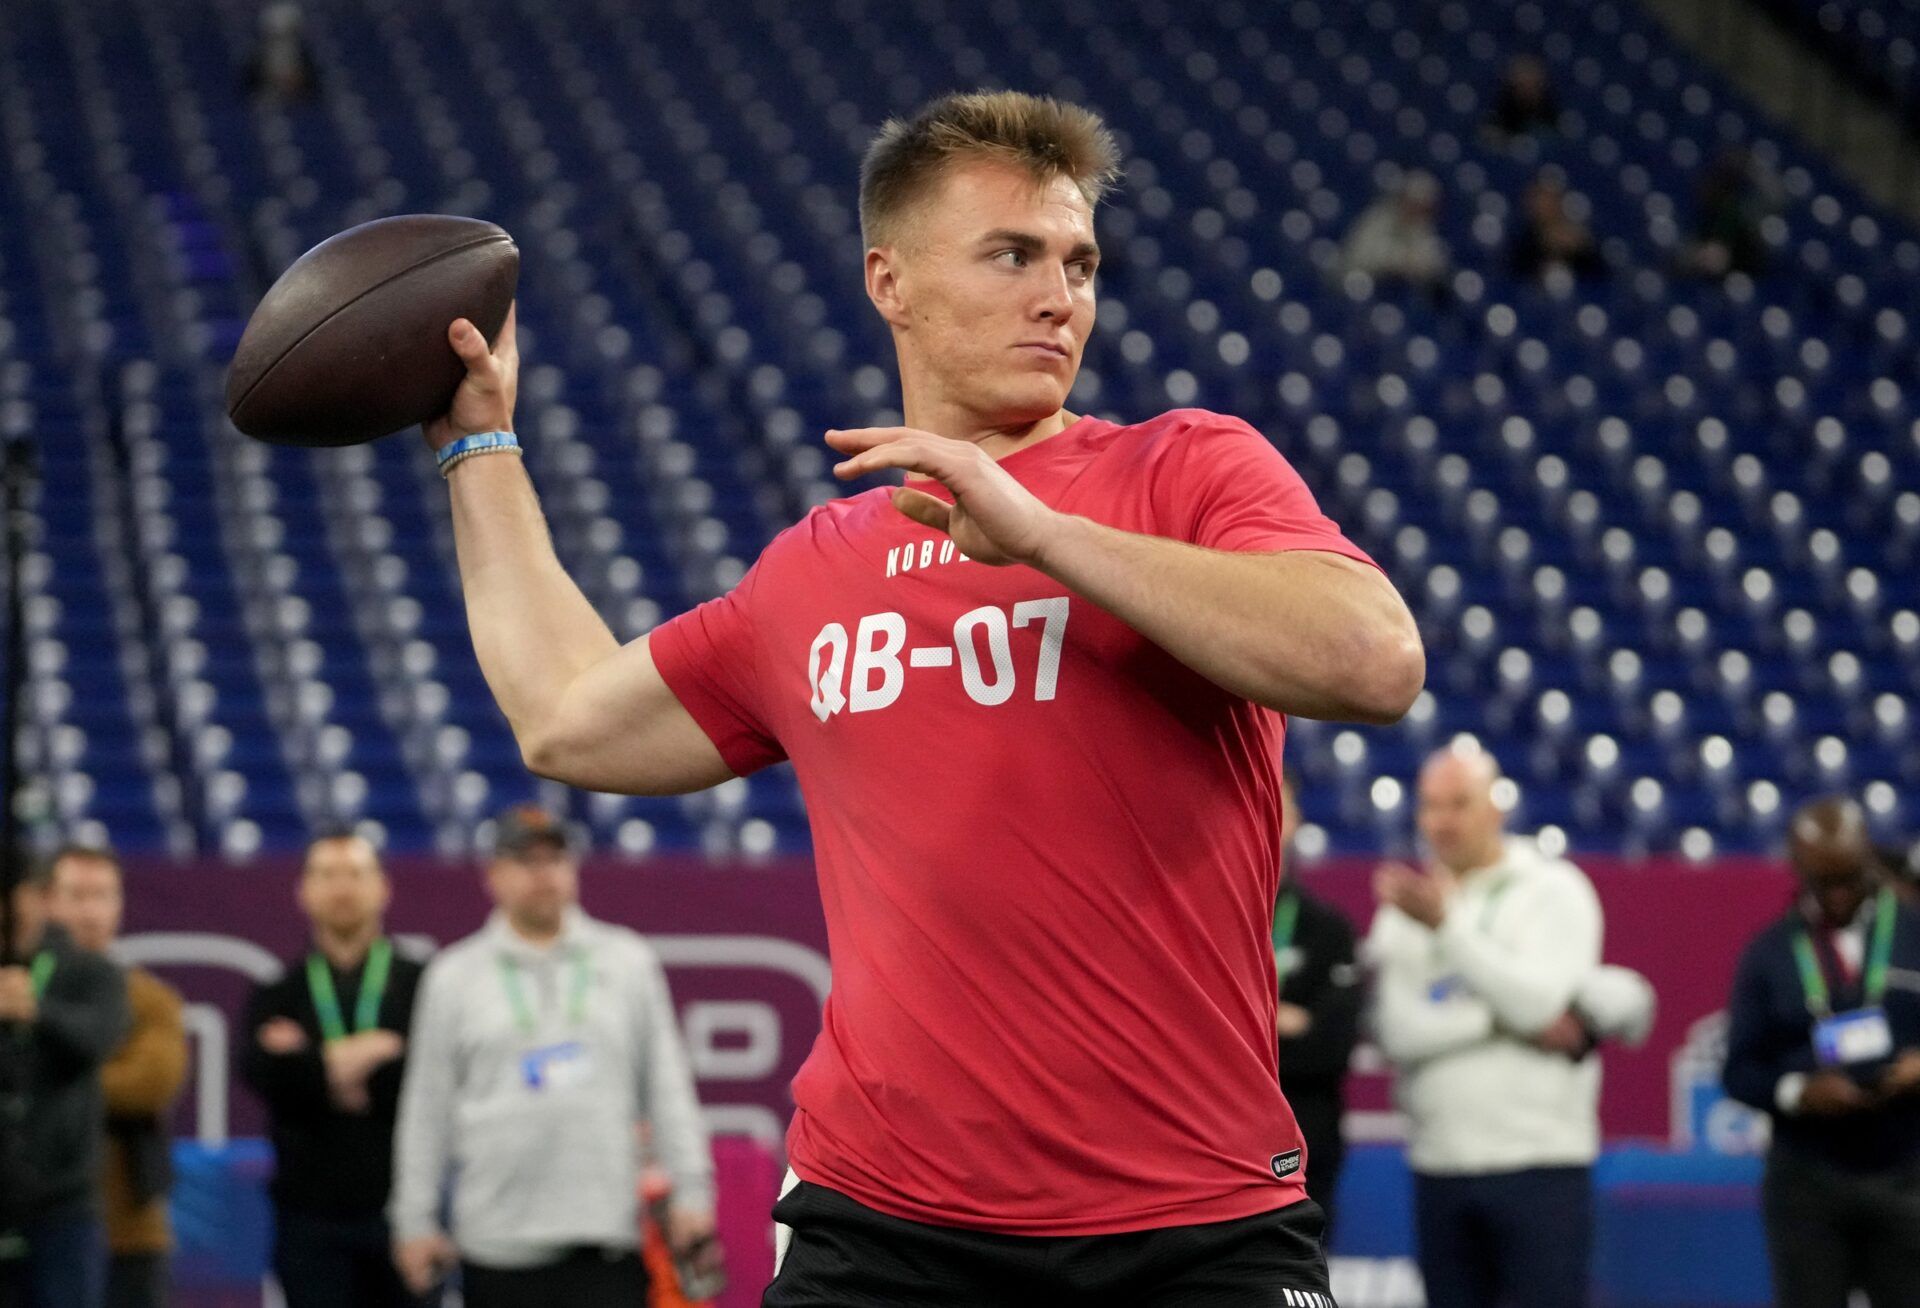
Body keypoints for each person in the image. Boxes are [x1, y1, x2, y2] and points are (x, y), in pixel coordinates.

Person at [419, 88, 1423, 1304]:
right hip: (886, 1229)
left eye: (1080, 261)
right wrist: (480, 443)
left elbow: (1374, 659)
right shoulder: (812, 569)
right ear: (889, 283)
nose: (1062, 296)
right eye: (1011, 254)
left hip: (1194, 1219)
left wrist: (1045, 536)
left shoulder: (1186, 466)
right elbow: (565, 714)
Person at [390, 806, 717, 1308]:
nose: (544, 872)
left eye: (555, 858)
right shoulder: (453, 976)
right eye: (526, 859)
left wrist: (693, 1194)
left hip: (605, 1239)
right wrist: (414, 1220)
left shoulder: (628, 961)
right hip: (494, 1245)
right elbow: (426, 1110)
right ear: (493, 875)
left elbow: (668, 1089)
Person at [1366, 744, 1606, 1308]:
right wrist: (1502, 1019)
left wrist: (1448, 929)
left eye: (1459, 804)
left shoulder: (1554, 889)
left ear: (1496, 808)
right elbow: (1396, 1033)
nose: (1441, 822)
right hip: (1439, 1162)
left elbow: (1540, 1004)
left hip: (1541, 1164)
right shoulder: (1408, 904)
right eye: (1429, 807)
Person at [1724, 796, 1920, 1307]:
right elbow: (1738, 1069)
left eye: (1849, 878)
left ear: (1869, 860)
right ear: (1797, 870)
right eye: (1822, 881)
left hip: (1908, 1170)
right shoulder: (1768, 953)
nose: (1838, 895)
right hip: (1808, 1179)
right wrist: (1799, 1092)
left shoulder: (1915, 936)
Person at [241, 834, 424, 1308]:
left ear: (384, 887)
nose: (343, 888)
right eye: (327, 875)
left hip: (406, 1210)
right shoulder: (278, 993)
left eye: (356, 874)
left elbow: (429, 1083)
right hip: (309, 1216)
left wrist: (312, 1060)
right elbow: (267, 1080)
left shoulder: (423, 985)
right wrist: (374, 1051)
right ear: (303, 890)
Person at [43, 847, 188, 1308]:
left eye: (102, 895)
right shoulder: (19, 987)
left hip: (129, 1230)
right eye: (76, 895)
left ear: (120, 904)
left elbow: (151, 1083)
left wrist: (45, 1080)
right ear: (46, 901)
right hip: (34, 1224)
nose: (89, 911)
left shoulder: (151, 1000)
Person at [0, 858, 129, 1308]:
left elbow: (99, 1039)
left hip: (63, 1204)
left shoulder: (89, 971)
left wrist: (35, 1011)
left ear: (40, 900)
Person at [1273, 773, 1361, 1240]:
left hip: (1307, 1143)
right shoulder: (1190, 919)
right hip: (1209, 1143)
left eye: (1279, 805)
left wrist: (1243, 1025)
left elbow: (1334, 1046)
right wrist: (1281, 1019)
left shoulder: (1327, 929)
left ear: (1297, 822)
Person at [1339, 171, 1451, 291]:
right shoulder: (1378, 217)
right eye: (1414, 203)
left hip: (1400, 293)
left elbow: (1434, 263)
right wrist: (1400, 261)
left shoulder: (1422, 228)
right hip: (1361, 285)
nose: (1416, 210)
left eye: (1424, 207)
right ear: (1403, 199)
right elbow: (1360, 254)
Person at [1509, 172, 1603, 281]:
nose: (1545, 205)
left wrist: (1578, 249)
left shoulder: (1580, 242)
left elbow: (1596, 276)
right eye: (1540, 198)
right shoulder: (1522, 243)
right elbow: (1516, 274)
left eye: (1550, 198)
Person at [1485, 55, 1562, 140]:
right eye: (1523, 74)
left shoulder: (1552, 112)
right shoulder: (1501, 111)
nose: (1527, 80)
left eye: (1531, 73)